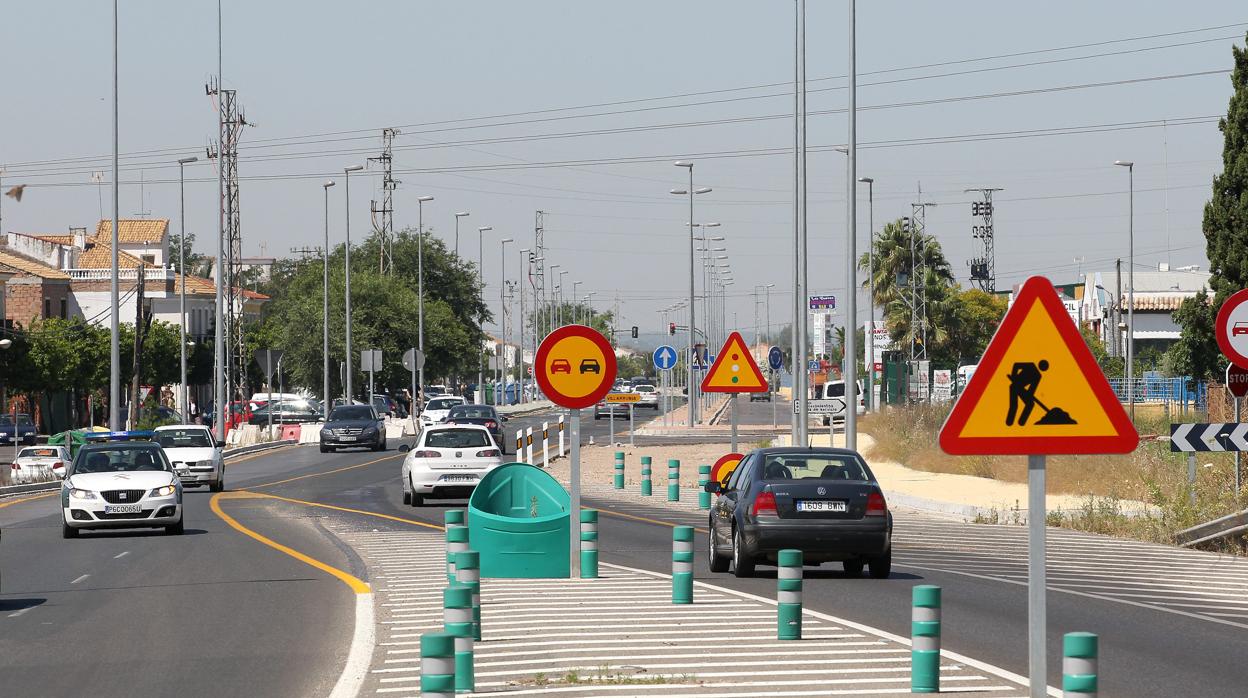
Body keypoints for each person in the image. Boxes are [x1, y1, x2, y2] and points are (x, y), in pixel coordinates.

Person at [1006, 360, 1048, 427]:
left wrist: (1029, 394)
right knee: (1014, 405)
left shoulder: (1038, 376)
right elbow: (1016, 365)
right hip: (1014, 386)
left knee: (1030, 404)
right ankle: (1009, 423)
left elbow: (1032, 389)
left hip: (1021, 389)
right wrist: (1014, 377)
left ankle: (1021, 423)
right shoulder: (1031, 365)